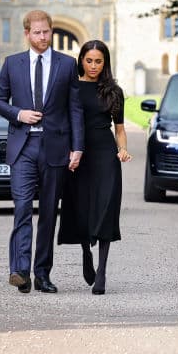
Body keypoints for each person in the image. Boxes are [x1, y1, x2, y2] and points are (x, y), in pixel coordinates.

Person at [0, 10, 84, 294]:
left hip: (55, 148)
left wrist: (77, 147)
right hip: (23, 147)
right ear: (27, 34)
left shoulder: (67, 65)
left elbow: (75, 109)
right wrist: (18, 114)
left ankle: (42, 274)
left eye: (47, 32)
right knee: (21, 208)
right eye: (37, 32)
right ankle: (20, 270)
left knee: (48, 213)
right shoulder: (12, 64)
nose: (43, 37)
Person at [58, 39, 131, 295]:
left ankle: (102, 271)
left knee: (105, 209)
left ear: (105, 62)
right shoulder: (73, 87)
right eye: (88, 60)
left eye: (98, 61)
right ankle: (85, 253)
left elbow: (119, 130)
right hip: (78, 155)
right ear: (81, 61)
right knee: (81, 209)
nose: (93, 66)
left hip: (104, 155)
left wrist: (122, 149)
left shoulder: (114, 91)